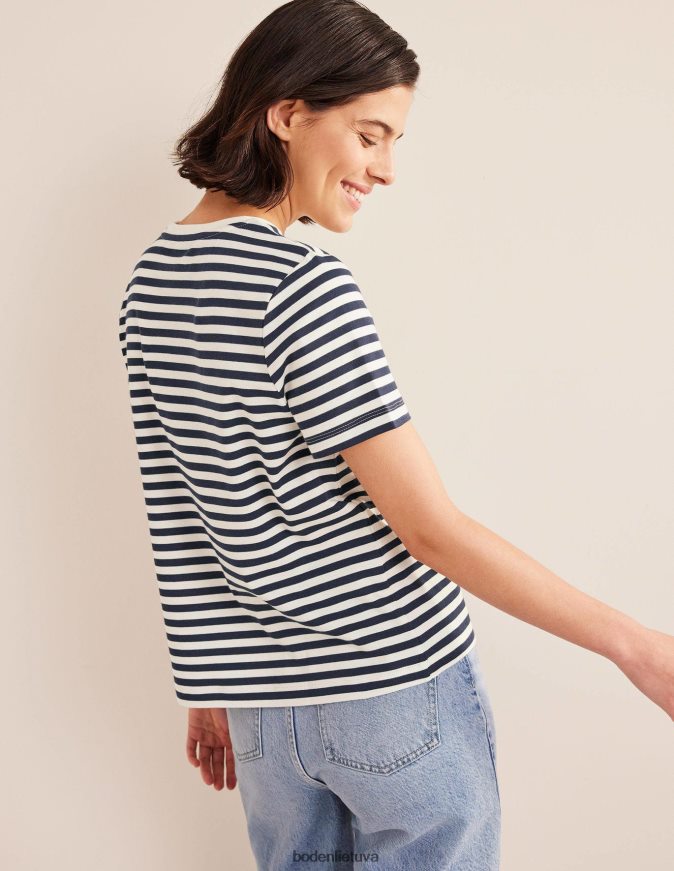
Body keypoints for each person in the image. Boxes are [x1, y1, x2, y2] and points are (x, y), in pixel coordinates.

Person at [118, 1, 673, 868]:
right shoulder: (301, 286)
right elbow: (428, 529)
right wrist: (635, 646)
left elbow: (185, 510)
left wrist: (212, 680)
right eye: (370, 135)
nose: (384, 169)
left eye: (394, 143)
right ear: (288, 113)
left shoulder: (149, 284)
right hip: (391, 691)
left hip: (263, 714)